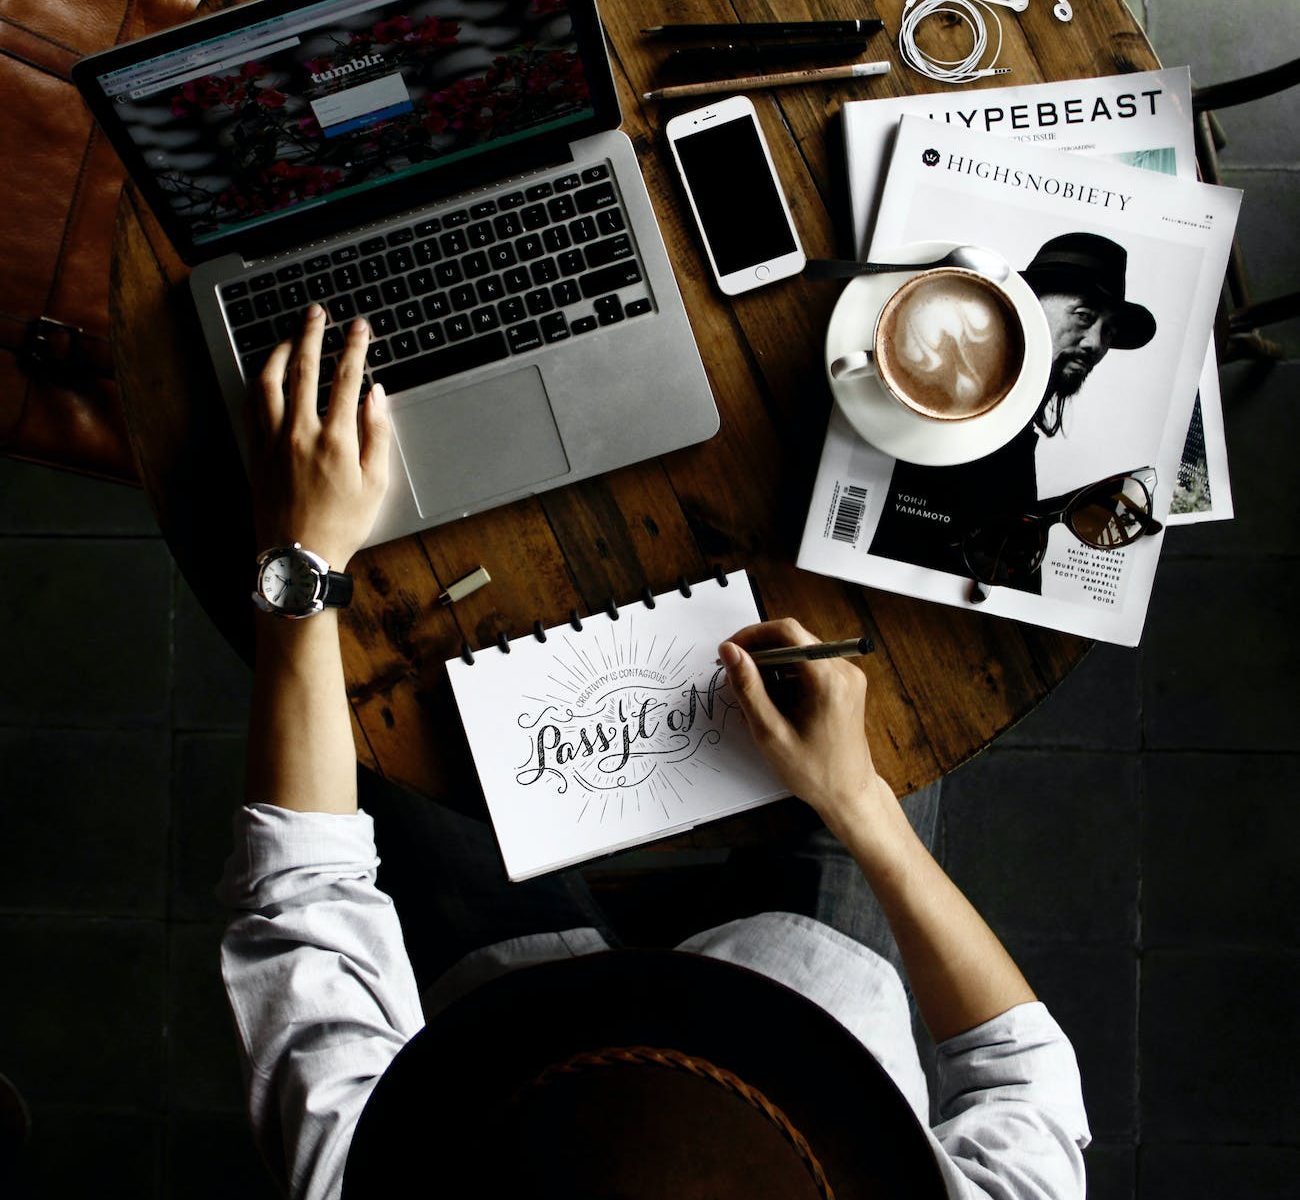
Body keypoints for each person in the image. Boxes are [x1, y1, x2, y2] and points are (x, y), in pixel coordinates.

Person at [219, 305, 1091, 1199]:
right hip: (819, 983)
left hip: (499, 1014)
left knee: (385, 728)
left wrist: (304, 559)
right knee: (895, 645)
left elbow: (302, 894)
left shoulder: (364, 1178)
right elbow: (1021, 1071)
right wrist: (857, 797)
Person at [867, 232, 1157, 593]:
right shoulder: (956, 408)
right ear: (1028, 304)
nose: (1097, 344)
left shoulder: (1018, 434)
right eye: (1084, 316)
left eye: (1110, 331)